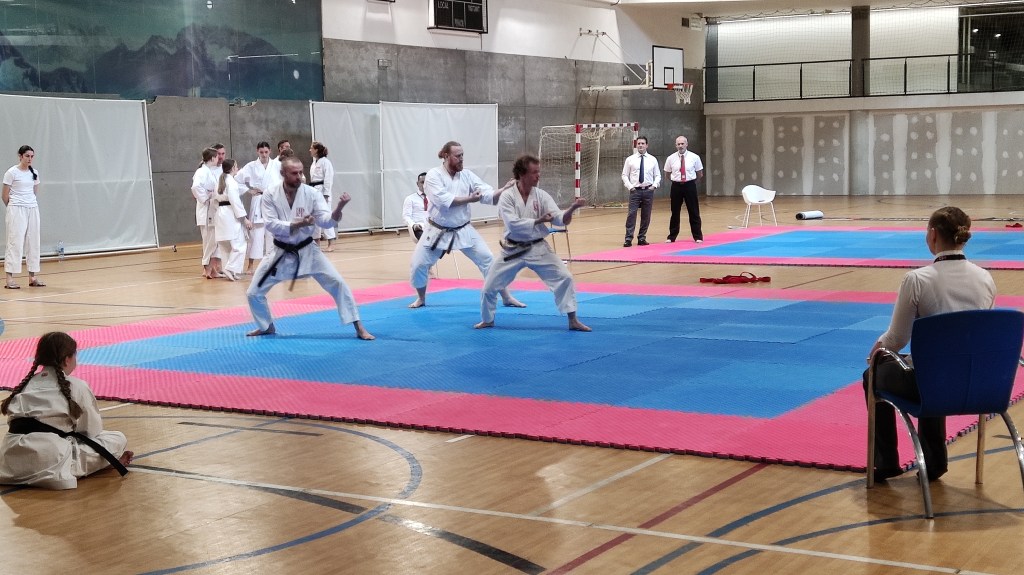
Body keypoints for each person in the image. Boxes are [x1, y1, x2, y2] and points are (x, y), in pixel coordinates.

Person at [864, 206, 996, 483]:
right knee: (937, 361)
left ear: (933, 235)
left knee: (874, 373)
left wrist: (876, 352)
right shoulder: (985, 278)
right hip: (978, 383)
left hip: (933, 383)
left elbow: (896, 339)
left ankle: (886, 462)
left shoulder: (917, 279)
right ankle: (934, 462)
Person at [245, 157, 374, 340]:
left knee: (338, 283)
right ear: (283, 174)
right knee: (253, 292)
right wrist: (298, 224)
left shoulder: (311, 193)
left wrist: (339, 207)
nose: (299, 176)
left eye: (301, 172)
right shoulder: (270, 194)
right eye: (294, 173)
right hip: (280, 252)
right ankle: (266, 326)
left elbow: (326, 221)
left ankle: (358, 326)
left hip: (308, 250)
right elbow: (271, 224)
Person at [0, 332, 133, 490]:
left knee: (67, 442)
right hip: (50, 461)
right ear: (67, 359)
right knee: (117, 438)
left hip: (10, 460)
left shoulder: (23, 385)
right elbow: (91, 431)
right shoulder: (77, 386)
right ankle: (102, 463)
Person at [475, 154, 590, 332]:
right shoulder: (507, 196)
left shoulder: (541, 196)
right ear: (522, 174)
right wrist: (538, 221)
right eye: (534, 172)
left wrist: (572, 208)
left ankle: (573, 320)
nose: (538, 176)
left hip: (538, 247)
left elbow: (559, 219)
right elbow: (512, 223)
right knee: (489, 287)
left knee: (565, 277)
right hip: (512, 249)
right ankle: (487, 320)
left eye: (538, 172)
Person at [408, 141, 524, 309]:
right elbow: (443, 201)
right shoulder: (433, 175)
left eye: (462, 155)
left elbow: (488, 195)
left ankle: (506, 297)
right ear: (446, 156)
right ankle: (421, 298)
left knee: (488, 260)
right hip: (436, 230)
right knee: (418, 264)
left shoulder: (467, 175)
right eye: (457, 156)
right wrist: (470, 198)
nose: (461, 159)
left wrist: (505, 189)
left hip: (463, 229)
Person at [3, 145, 44, 289]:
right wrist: (14, 208)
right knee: (15, 241)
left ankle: (33, 277)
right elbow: (4, 195)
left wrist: (28, 204)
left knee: (33, 241)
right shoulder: (11, 172)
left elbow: (34, 192)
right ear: (20, 156)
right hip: (16, 209)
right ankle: (9, 279)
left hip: (32, 208)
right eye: (27, 156)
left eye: (32, 156)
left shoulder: (34, 173)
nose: (30, 159)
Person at [237, 141, 275, 274]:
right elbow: (236, 180)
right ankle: (250, 265)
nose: (264, 154)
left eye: (266, 152)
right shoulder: (251, 166)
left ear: (270, 151)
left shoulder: (276, 165)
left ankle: (272, 264)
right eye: (261, 152)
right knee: (255, 234)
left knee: (272, 234)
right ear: (257, 152)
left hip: (273, 201)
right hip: (258, 199)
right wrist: (249, 190)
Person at [211, 159, 251, 281]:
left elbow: (214, 201)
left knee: (225, 246)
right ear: (233, 168)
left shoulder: (219, 181)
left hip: (220, 213)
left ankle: (230, 271)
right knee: (240, 244)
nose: (237, 168)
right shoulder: (231, 182)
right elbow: (235, 202)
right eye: (236, 166)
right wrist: (245, 219)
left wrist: (219, 211)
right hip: (230, 214)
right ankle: (230, 268)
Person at [663, 135, 704, 243]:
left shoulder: (695, 157)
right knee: (675, 211)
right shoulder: (670, 158)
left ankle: (697, 236)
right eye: (678, 144)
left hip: (690, 185)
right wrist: (676, 180)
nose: (680, 146)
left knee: (693, 211)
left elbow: (699, 173)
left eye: (682, 143)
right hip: (676, 186)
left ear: (687, 144)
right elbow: (667, 174)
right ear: (676, 145)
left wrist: (691, 181)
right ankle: (672, 236)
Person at [620, 136, 661, 247]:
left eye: (643, 143)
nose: (640, 145)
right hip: (635, 191)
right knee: (631, 214)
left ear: (647, 145)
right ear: (636, 145)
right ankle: (628, 238)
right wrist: (630, 187)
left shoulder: (652, 159)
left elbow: (657, 175)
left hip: (648, 190)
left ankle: (642, 237)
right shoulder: (630, 159)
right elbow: (624, 175)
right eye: (638, 143)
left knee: (646, 215)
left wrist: (654, 186)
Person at [191, 148, 221, 279]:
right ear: (213, 158)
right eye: (217, 157)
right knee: (209, 240)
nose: (218, 159)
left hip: (210, 209)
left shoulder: (208, 171)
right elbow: (195, 187)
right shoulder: (202, 171)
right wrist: (205, 199)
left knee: (213, 240)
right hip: (206, 210)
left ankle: (212, 269)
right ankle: (206, 267)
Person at [309, 141, 337, 252]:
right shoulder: (314, 163)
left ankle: (331, 243)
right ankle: (316, 243)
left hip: (322, 192)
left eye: (311, 148)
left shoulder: (326, 162)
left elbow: (328, 179)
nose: (310, 150)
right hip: (314, 191)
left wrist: (326, 194)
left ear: (316, 150)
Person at [402, 172, 430, 241]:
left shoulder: (434, 198)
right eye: (422, 182)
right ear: (417, 184)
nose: (424, 185)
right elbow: (406, 216)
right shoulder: (410, 199)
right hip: (419, 227)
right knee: (427, 241)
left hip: (433, 227)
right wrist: (413, 225)